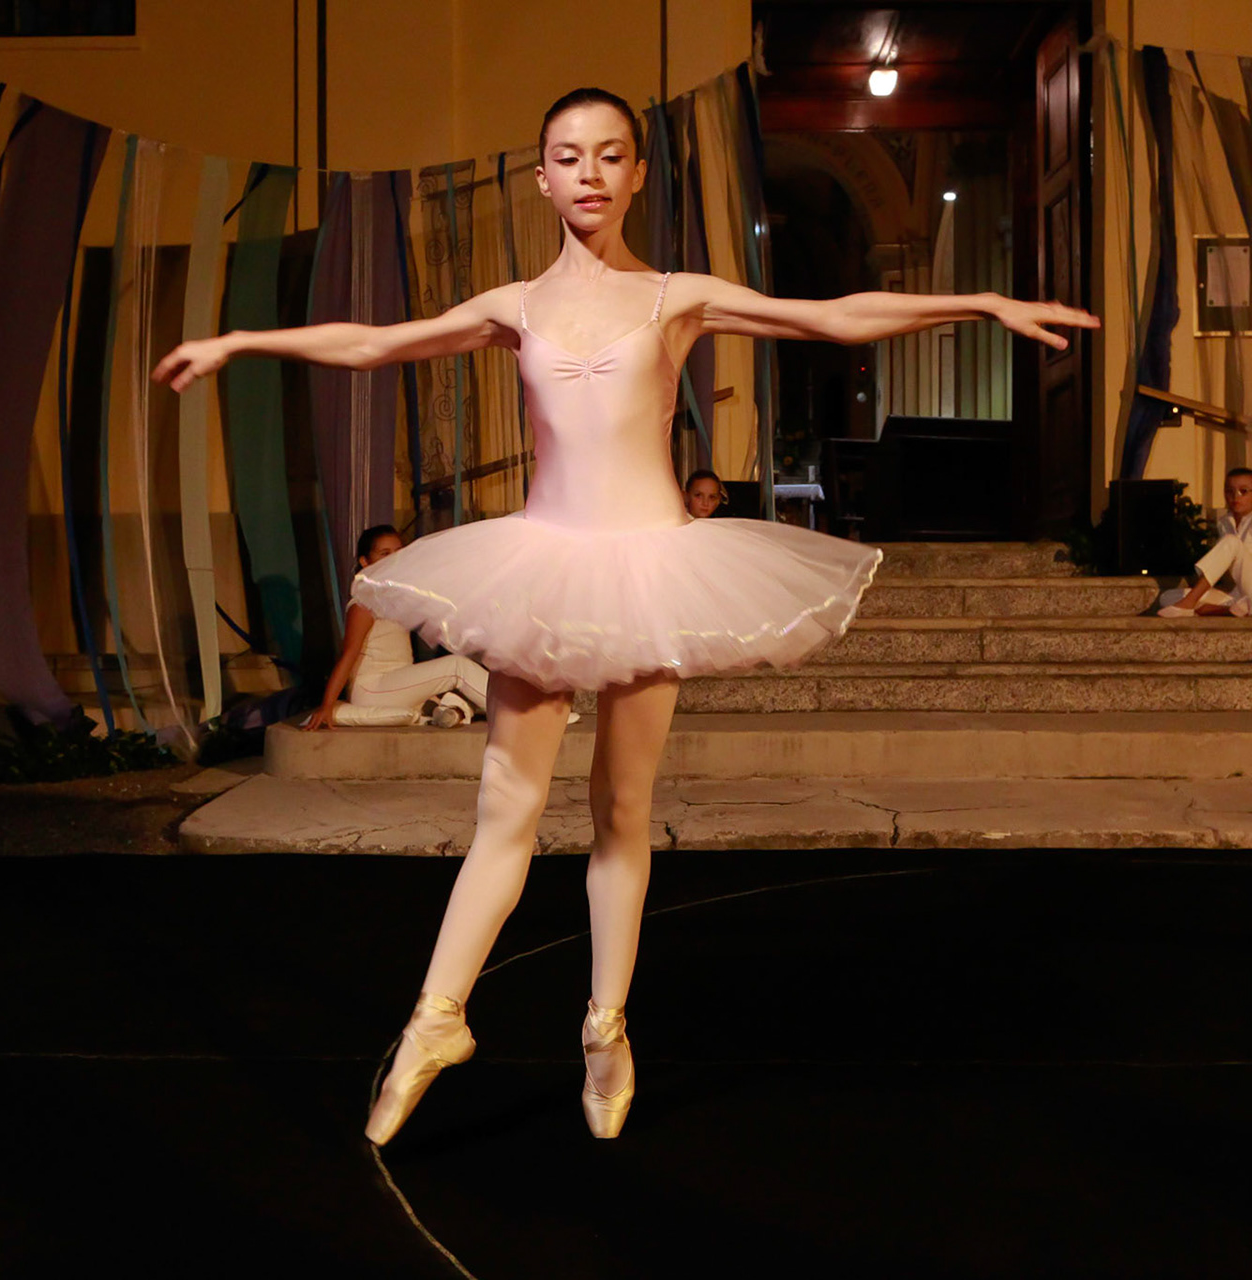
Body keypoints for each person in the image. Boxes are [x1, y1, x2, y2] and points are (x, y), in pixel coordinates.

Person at [154, 86, 1096, 1145]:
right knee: (505, 807)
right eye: (569, 155)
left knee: (620, 809)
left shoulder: (676, 297)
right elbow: (378, 342)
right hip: (546, 567)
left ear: (637, 173)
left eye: (610, 155)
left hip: (650, 568)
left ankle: (605, 1024)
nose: (590, 173)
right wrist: (240, 340)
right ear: (544, 175)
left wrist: (977, 304)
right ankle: (437, 1016)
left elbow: (831, 317)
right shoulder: (514, 306)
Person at [301, 525, 490, 731]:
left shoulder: (394, 597)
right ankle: (517, 709)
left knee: (449, 697)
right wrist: (327, 705)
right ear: (365, 562)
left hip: (398, 683)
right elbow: (349, 653)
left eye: (399, 552)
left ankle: (449, 712)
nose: (394, 558)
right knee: (456, 667)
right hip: (374, 689)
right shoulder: (363, 602)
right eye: (385, 554)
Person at [1157, 468, 1252, 617]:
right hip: (1239, 593)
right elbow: (1228, 567)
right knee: (1167, 597)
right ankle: (1228, 609)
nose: (1236, 496)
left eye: (1243, 491)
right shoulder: (1224, 522)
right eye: (1229, 491)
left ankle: (1192, 603)